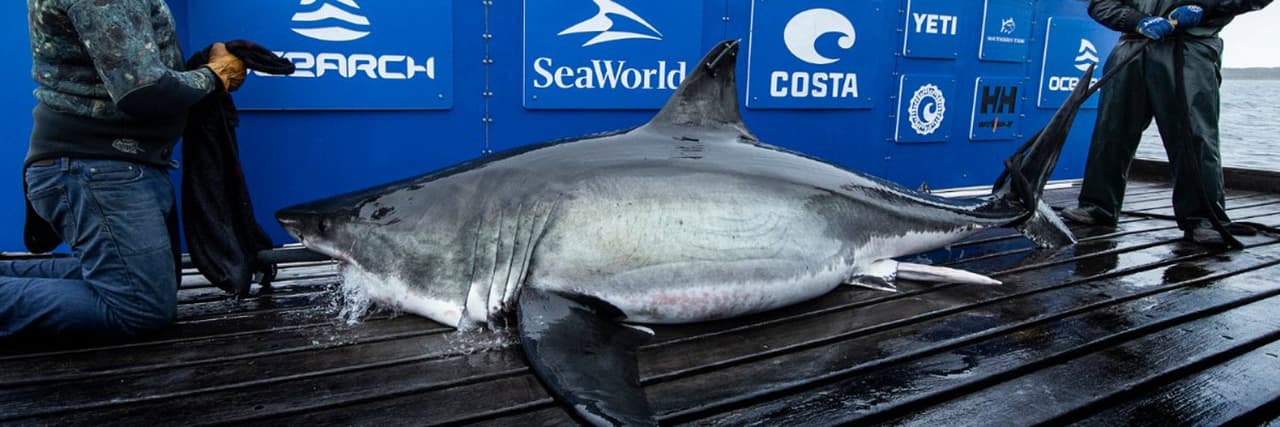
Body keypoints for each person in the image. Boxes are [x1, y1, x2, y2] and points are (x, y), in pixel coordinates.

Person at [1, 0, 247, 340]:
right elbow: (143, 91)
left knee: (149, 283)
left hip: (116, 164)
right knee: (139, 305)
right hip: (96, 168)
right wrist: (214, 76)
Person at [1061, 0, 1272, 245]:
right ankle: (1098, 206)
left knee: (1194, 137)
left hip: (1189, 48)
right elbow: (1100, 3)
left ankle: (1203, 218)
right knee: (1111, 130)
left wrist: (1205, 7)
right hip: (1131, 44)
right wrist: (1135, 21)